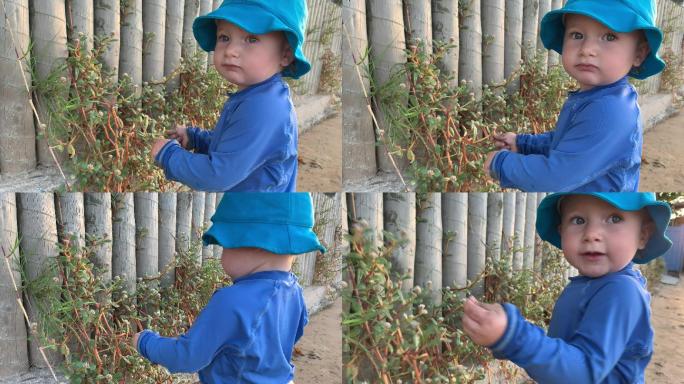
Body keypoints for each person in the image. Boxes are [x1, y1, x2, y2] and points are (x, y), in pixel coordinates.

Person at [462, 192, 672, 383]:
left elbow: (584, 373)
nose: (592, 234)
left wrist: (514, 337)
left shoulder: (621, 292)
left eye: (614, 218)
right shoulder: (591, 285)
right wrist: (506, 336)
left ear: (643, 235)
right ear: (562, 232)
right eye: (578, 220)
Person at [133, 193, 326, 383]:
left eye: (225, 244)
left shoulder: (232, 301)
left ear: (256, 242)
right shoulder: (294, 290)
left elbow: (186, 357)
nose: (221, 254)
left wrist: (145, 342)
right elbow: (295, 331)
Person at [484, 0, 665, 191]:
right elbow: (569, 142)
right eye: (577, 35)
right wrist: (523, 143)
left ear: (639, 53)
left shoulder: (609, 110)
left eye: (610, 37)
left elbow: (557, 175)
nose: (587, 49)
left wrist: (501, 164)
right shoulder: (597, 97)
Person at [151, 0, 311, 191]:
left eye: (251, 39)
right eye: (225, 37)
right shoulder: (256, 95)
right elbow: (233, 146)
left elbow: (218, 175)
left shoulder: (263, 108)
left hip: (257, 214)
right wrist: (194, 137)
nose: (231, 51)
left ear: (286, 55)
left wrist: (169, 155)